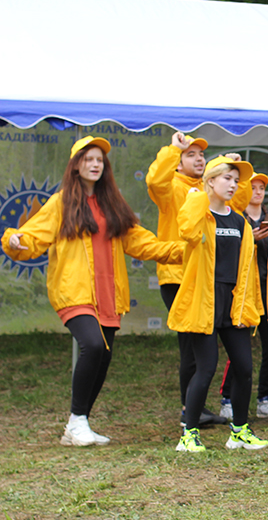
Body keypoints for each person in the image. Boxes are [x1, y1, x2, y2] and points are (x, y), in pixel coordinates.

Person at [2, 136, 183, 446]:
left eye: (100, 160)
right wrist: (14, 241)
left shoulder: (113, 203)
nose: (95, 164)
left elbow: (142, 242)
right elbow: (32, 236)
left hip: (108, 294)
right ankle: (77, 421)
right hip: (74, 291)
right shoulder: (61, 203)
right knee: (93, 346)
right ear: (76, 166)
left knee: (103, 356)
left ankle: (78, 423)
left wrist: (183, 251)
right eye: (89, 159)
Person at [169, 155, 268, 453]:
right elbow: (186, 231)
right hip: (204, 302)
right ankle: (189, 434)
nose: (233, 185)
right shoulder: (199, 213)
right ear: (210, 180)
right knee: (206, 368)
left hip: (233, 303)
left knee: (244, 367)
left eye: (236, 180)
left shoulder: (239, 220)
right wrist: (198, 197)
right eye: (227, 178)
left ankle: (239, 431)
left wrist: (248, 305)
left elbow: (246, 267)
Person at [147, 132, 229, 427]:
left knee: (200, 347)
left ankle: (196, 408)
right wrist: (173, 149)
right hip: (178, 275)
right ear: (178, 163)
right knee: (191, 346)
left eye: (201, 154)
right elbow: (154, 181)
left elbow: (237, 202)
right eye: (191, 155)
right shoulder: (171, 188)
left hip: (205, 275)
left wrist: (230, 170)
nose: (199, 159)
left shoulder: (207, 190)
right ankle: (189, 411)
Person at [218, 172, 268, 421]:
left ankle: (265, 399)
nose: (257, 192)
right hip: (246, 292)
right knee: (237, 350)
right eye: (253, 187)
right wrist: (250, 241)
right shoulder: (237, 220)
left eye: (261, 188)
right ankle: (227, 399)